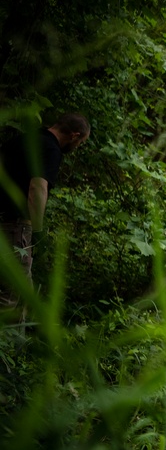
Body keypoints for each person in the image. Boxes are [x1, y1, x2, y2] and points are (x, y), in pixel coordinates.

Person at [0, 113, 90, 312]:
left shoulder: (21, 140)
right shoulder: (50, 149)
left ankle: (15, 342)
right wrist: (38, 230)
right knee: (11, 295)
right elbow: (37, 189)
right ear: (74, 136)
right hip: (15, 227)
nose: (77, 147)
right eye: (81, 143)